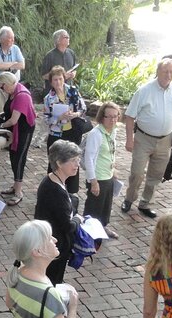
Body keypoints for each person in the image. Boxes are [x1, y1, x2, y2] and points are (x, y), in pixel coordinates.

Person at [122, 57, 172, 219]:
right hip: (144, 139)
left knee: (156, 175)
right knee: (137, 173)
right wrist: (129, 139)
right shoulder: (144, 91)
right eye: (165, 71)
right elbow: (129, 116)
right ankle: (129, 199)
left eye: (171, 71)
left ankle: (145, 203)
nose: (168, 75)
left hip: (165, 141)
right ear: (158, 71)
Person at [34, 140, 83, 285]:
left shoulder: (53, 180)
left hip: (49, 242)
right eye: (73, 161)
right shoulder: (55, 190)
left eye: (78, 160)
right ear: (59, 163)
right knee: (52, 282)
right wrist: (78, 219)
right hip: (54, 246)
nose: (77, 165)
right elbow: (67, 226)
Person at [43, 65, 88, 194]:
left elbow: (83, 108)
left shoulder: (73, 91)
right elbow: (46, 120)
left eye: (60, 79)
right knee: (56, 162)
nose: (58, 82)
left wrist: (76, 114)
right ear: (51, 82)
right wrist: (58, 118)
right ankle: (54, 190)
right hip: (56, 134)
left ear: (64, 79)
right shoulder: (48, 98)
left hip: (72, 132)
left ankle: (71, 192)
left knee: (73, 160)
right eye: (55, 80)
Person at [0, 71, 36, 206]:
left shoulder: (22, 96)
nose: (2, 89)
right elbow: (11, 110)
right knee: (13, 157)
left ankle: (19, 192)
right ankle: (15, 185)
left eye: (2, 87)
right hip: (16, 130)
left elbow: (13, 120)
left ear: (7, 83)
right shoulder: (13, 92)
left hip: (23, 131)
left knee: (19, 159)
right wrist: (0, 115)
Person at [83, 102, 121, 239]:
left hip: (108, 175)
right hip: (98, 177)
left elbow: (110, 152)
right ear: (102, 117)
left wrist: (113, 169)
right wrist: (93, 181)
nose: (113, 120)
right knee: (94, 207)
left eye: (115, 116)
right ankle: (88, 233)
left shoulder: (112, 131)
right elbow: (89, 158)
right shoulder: (96, 134)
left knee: (106, 205)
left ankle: (103, 227)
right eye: (109, 117)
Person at [0, 26, 25, 116]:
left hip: (14, 88)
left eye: (13, 37)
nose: (12, 40)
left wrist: (6, 65)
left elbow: (22, 65)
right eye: (9, 38)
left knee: (14, 115)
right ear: (1, 39)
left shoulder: (15, 49)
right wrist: (13, 64)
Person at [40, 29, 77, 94]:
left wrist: (73, 74)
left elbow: (74, 68)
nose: (68, 38)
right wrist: (61, 76)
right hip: (53, 93)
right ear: (58, 40)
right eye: (66, 37)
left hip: (68, 91)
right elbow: (44, 75)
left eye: (68, 37)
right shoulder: (49, 56)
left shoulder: (71, 53)